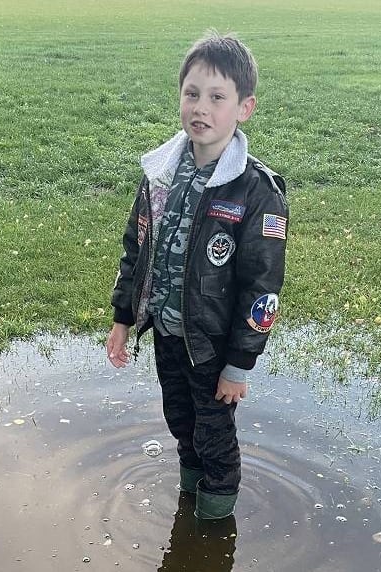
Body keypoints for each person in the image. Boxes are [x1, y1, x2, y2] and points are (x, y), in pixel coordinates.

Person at [107, 31, 288, 520]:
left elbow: (262, 288)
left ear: (244, 108)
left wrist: (239, 364)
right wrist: (124, 318)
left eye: (216, 97)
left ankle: (213, 525)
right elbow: (135, 249)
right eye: (192, 94)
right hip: (167, 334)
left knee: (214, 434)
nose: (201, 108)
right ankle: (189, 500)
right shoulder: (160, 175)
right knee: (180, 420)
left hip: (212, 345)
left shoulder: (257, 192)